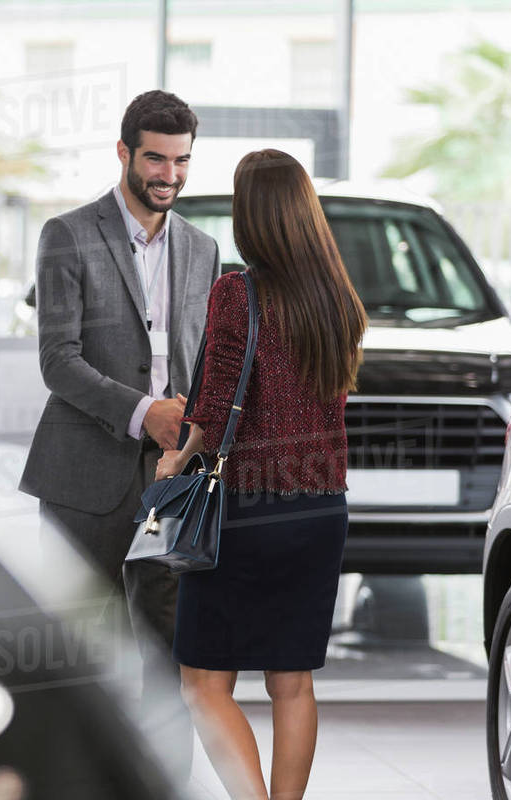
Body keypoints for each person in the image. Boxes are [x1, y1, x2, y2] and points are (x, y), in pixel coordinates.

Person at [18, 89, 221, 783]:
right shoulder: (68, 235)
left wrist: (190, 431)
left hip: (173, 478)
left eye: (181, 161)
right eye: (156, 159)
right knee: (79, 655)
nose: (170, 175)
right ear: (124, 153)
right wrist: (143, 412)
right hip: (83, 479)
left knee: (169, 658)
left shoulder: (202, 248)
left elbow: (200, 360)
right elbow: (58, 360)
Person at [155, 149, 367, 800]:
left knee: (203, 683)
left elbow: (218, 403)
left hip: (246, 509)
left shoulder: (237, 292)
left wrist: (175, 459)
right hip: (322, 508)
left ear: (249, 216)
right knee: (292, 681)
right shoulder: (338, 298)